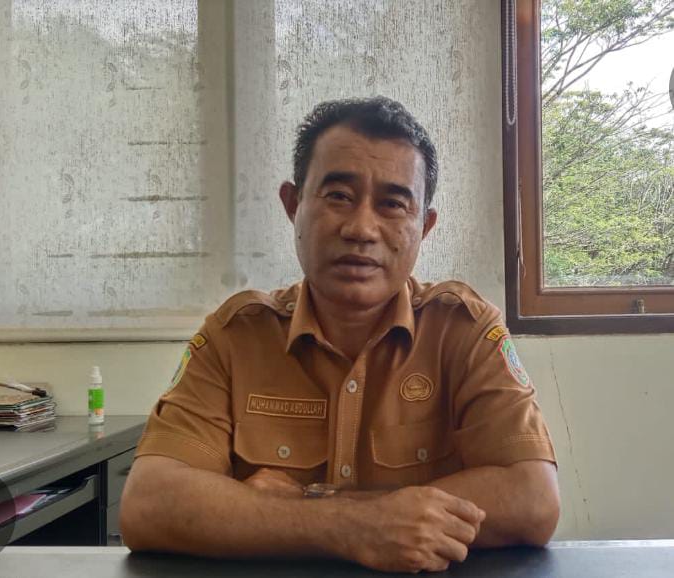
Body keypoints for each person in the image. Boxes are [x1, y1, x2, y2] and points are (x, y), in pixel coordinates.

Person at [120, 96, 560, 574]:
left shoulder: (465, 332)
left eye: (393, 204)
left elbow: (532, 499)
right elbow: (149, 503)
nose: (361, 228)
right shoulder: (236, 337)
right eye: (338, 196)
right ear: (293, 205)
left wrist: (300, 508)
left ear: (424, 226)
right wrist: (350, 525)